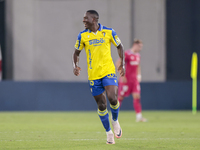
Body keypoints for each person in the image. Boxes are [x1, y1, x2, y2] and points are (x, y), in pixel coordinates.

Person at [72, 10, 125, 144]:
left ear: (94, 19)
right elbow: (76, 53)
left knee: (113, 98)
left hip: (108, 71)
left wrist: (122, 64)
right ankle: (108, 133)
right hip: (93, 75)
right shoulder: (82, 36)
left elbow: (120, 46)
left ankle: (115, 120)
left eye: (86, 18)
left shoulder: (109, 32)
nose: (84, 20)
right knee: (102, 105)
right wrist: (75, 66)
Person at [116, 39, 147, 122]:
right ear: (135, 45)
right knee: (120, 97)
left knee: (137, 96)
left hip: (134, 80)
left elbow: (138, 66)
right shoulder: (127, 53)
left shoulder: (138, 55)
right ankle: (114, 115)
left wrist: (139, 75)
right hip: (126, 80)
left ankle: (139, 117)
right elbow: (118, 63)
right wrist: (122, 74)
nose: (140, 48)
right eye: (139, 46)